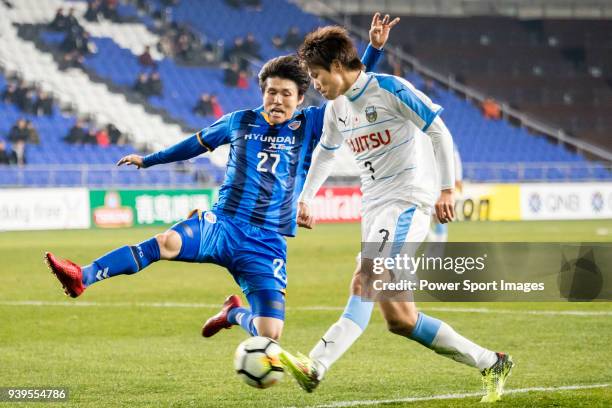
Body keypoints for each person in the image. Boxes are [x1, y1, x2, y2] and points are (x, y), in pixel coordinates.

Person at [44, 14, 393, 344]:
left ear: (300, 99)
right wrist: (149, 160)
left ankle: (233, 314)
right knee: (166, 243)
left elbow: (349, 91)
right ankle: (82, 276)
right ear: (263, 93)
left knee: (270, 333)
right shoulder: (238, 121)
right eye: (271, 92)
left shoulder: (312, 125)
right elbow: (193, 145)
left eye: (286, 94)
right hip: (222, 225)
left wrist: (373, 51)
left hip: (267, 243)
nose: (277, 99)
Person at [279, 22, 513, 403]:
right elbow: (326, 151)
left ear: (338, 65)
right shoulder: (338, 108)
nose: (316, 86)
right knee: (401, 320)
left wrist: (446, 190)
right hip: (373, 207)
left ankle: (316, 364)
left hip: (407, 203)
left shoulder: (390, 90)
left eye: (318, 76)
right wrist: (305, 198)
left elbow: (439, 132)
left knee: (365, 278)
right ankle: (492, 362)